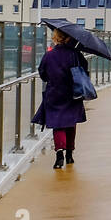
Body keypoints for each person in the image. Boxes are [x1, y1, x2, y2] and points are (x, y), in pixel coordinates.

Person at [32, 28, 88, 169]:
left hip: (55, 93)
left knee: (58, 124)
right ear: (69, 38)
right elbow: (85, 71)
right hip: (73, 93)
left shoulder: (49, 55)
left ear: (56, 38)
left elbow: (43, 73)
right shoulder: (76, 54)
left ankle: (59, 156)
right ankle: (69, 154)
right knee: (71, 123)